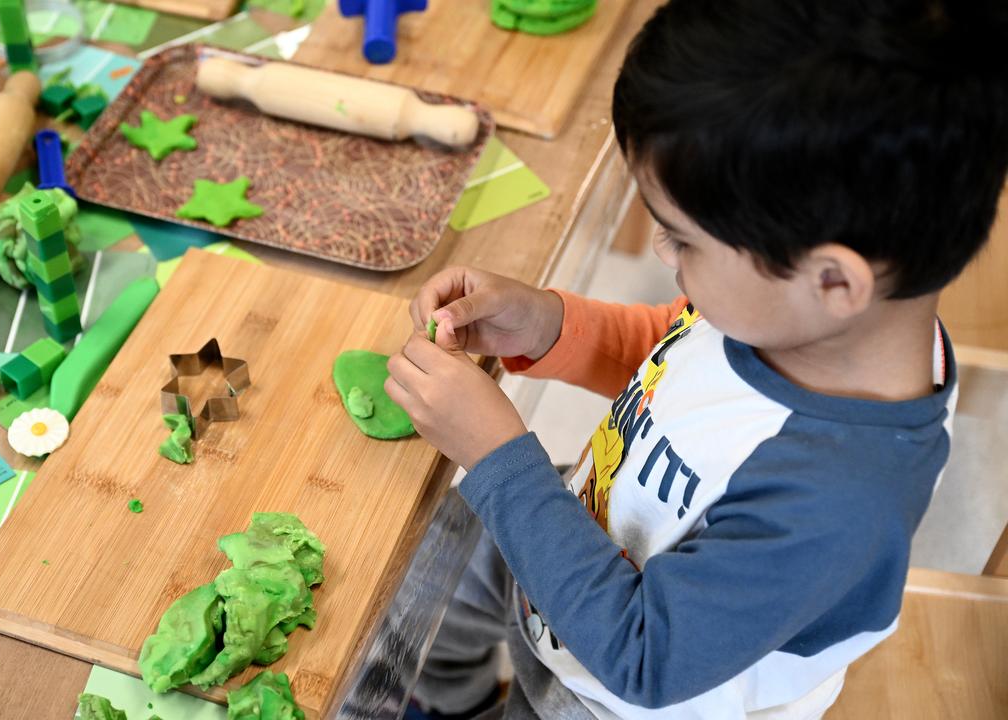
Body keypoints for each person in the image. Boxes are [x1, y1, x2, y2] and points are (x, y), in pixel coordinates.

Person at [387, 1, 1008, 717]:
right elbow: (680, 357)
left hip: (609, 694)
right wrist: (549, 324)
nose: (661, 253)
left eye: (684, 241)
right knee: (448, 558)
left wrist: (498, 457)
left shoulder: (836, 505)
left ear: (834, 279)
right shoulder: (807, 322)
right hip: (583, 534)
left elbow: (645, 654)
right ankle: (450, 699)